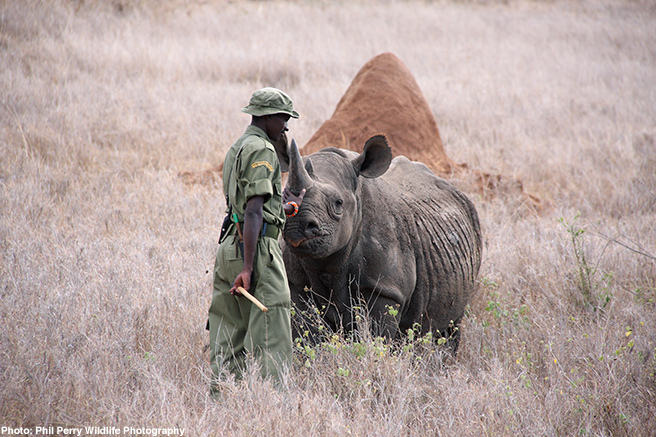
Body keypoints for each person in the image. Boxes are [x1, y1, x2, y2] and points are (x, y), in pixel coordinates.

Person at [207, 87, 306, 392]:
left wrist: (283, 207)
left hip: (229, 248)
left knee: (228, 332)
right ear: (267, 118)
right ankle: (273, 406)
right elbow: (253, 212)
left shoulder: (238, 147)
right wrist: (249, 268)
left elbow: (251, 206)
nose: (286, 127)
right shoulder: (263, 151)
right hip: (256, 250)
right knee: (271, 331)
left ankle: (223, 400)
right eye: (284, 119)